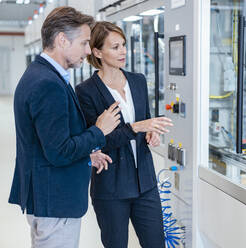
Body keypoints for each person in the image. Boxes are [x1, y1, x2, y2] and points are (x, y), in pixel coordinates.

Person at [8, 7, 121, 248]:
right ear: (62, 40)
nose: (88, 51)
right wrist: (99, 130)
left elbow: (47, 142)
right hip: (55, 202)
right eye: (84, 43)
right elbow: (59, 151)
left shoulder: (43, 75)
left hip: (47, 197)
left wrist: (87, 154)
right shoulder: (48, 84)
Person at [75, 21, 173, 248]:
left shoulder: (137, 81)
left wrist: (150, 133)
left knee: (156, 243)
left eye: (124, 45)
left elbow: (145, 122)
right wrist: (136, 127)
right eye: (115, 47)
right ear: (97, 52)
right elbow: (98, 141)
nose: (123, 52)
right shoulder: (86, 91)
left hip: (145, 183)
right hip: (111, 187)